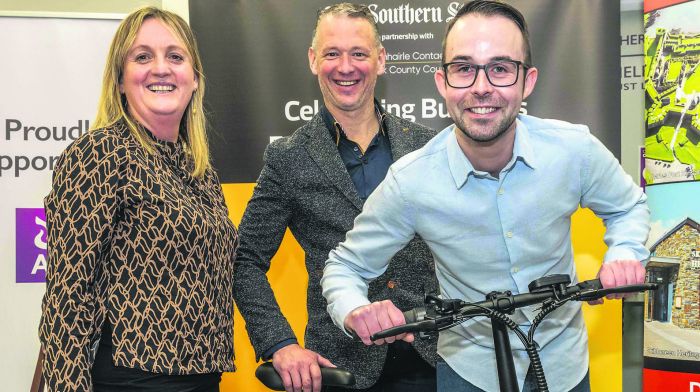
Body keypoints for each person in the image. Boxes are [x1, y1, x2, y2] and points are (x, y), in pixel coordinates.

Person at [321, 1, 650, 391]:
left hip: (564, 365)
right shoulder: (411, 181)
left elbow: (628, 207)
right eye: (463, 68)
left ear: (527, 81)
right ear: (442, 82)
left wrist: (625, 253)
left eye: (500, 68)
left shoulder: (573, 150)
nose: (481, 87)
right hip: (469, 371)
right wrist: (357, 310)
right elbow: (345, 267)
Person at [233, 3, 438, 392]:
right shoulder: (288, 157)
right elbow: (245, 259)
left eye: (359, 53)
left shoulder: (427, 146)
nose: (346, 67)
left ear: (380, 60)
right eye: (332, 53)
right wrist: (279, 343)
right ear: (313, 60)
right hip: (340, 369)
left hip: (435, 361)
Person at [38, 7, 238, 392]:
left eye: (175, 56)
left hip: (204, 379)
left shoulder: (200, 169)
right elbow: (68, 296)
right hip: (131, 379)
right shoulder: (100, 152)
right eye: (142, 56)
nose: (161, 68)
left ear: (194, 79)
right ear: (120, 80)